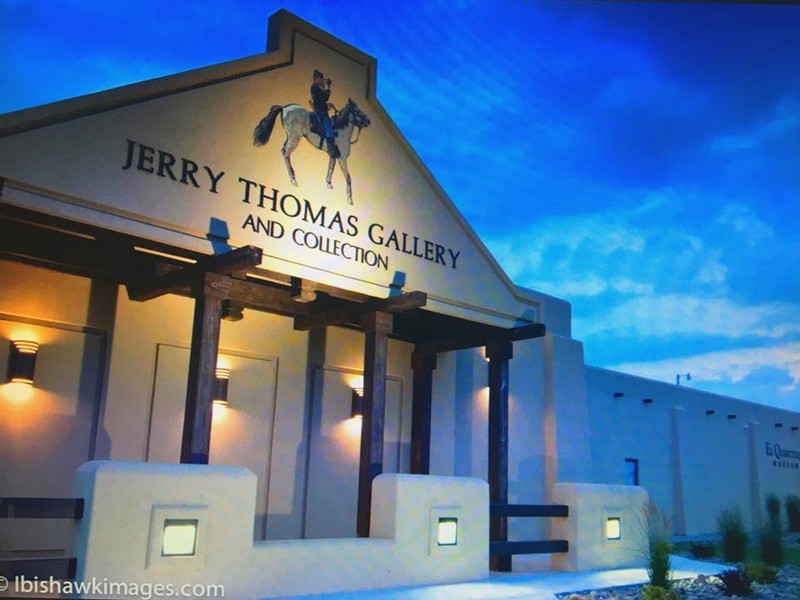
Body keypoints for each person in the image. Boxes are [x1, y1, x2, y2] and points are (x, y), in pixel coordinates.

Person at [310, 69, 340, 158]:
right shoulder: (314, 87)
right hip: (319, 111)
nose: (322, 81)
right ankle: (331, 148)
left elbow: (322, 100)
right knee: (327, 123)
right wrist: (327, 88)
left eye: (322, 79)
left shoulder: (317, 88)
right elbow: (322, 99)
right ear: (317, 79)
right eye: (320, 79)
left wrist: (327, 105)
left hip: (322, 109)